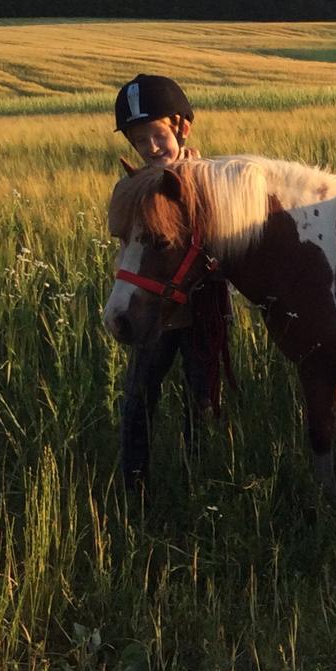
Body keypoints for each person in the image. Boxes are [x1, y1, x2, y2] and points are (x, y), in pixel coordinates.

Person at [112, 74, 232, 495]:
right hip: (152, 312)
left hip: (202, 312)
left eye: (157, 136)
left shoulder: (211, 180)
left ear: (183, 127)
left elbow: (224, 242)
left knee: (202, 403)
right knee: (138, 399)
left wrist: (191, 180)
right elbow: (124, 237)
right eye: (139, 142)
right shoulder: (132, 186)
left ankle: (200, 485)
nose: (150, 149)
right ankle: (134, 488)